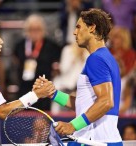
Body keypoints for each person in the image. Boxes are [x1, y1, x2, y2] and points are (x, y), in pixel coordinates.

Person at [34, 8, 123, 145]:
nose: (75, 32)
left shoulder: (96, 59)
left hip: (94, 141)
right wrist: (53, 93)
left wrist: (72, 126)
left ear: (92, 28)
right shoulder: (106, 58)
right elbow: (85, 105)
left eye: (78, 27)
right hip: (102, 140)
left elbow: (106, 102)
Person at [13, 14, 62, 110]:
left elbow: (56, 67)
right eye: (31, 29)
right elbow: (16, 61)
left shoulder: (52, 46)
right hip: (24, 88)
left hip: (43, 91)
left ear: (43, 30)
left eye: (38, 29)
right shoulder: (20, 45)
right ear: (26, 30)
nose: (34, 32)